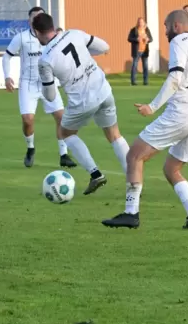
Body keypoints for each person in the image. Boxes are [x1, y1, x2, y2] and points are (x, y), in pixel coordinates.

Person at [103, 9, 188, 230]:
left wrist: (152, 106)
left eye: (165, 26)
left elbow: (175, 77)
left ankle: (131, 213)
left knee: (134, 155)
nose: (164, 31)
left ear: (175, 26)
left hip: (180, 114)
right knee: (172, 169)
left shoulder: (178, 42)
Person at [33, 12, 129, 195]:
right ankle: (133, 179)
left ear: (37, 32)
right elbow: (104, 47)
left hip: (82, 101)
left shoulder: (45, 59)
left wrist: (46, 85)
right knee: (115, 135)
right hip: (103, 91)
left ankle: (95, 173)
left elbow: (51, 95)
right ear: (53, 26)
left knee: (66, 133)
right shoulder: (74, 34)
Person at [2, 7, 76, 168]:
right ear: (29, 21)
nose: (37, 19)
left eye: (40, 16)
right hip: (28, 84)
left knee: (61, 118)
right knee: (28, 120)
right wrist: (7, 76)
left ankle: (64, 154)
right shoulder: (21, 38)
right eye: (34, 17)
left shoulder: (52, 37)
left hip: (48, 83)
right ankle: (30, 148)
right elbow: (7, 56)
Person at [128, 17, 153, 86]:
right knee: (134, 66)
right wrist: (136, 39)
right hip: (137, 51)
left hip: (145, 50)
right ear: (137, 23)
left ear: (144, 23)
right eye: (139, 22)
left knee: (145, 66)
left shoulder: (147, 30)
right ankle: (133, 81)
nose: (140, 23)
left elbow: (151, 39)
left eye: (141, 22)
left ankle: (145, 81)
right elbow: (129, 38)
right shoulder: (134, 30)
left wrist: (148, 39)